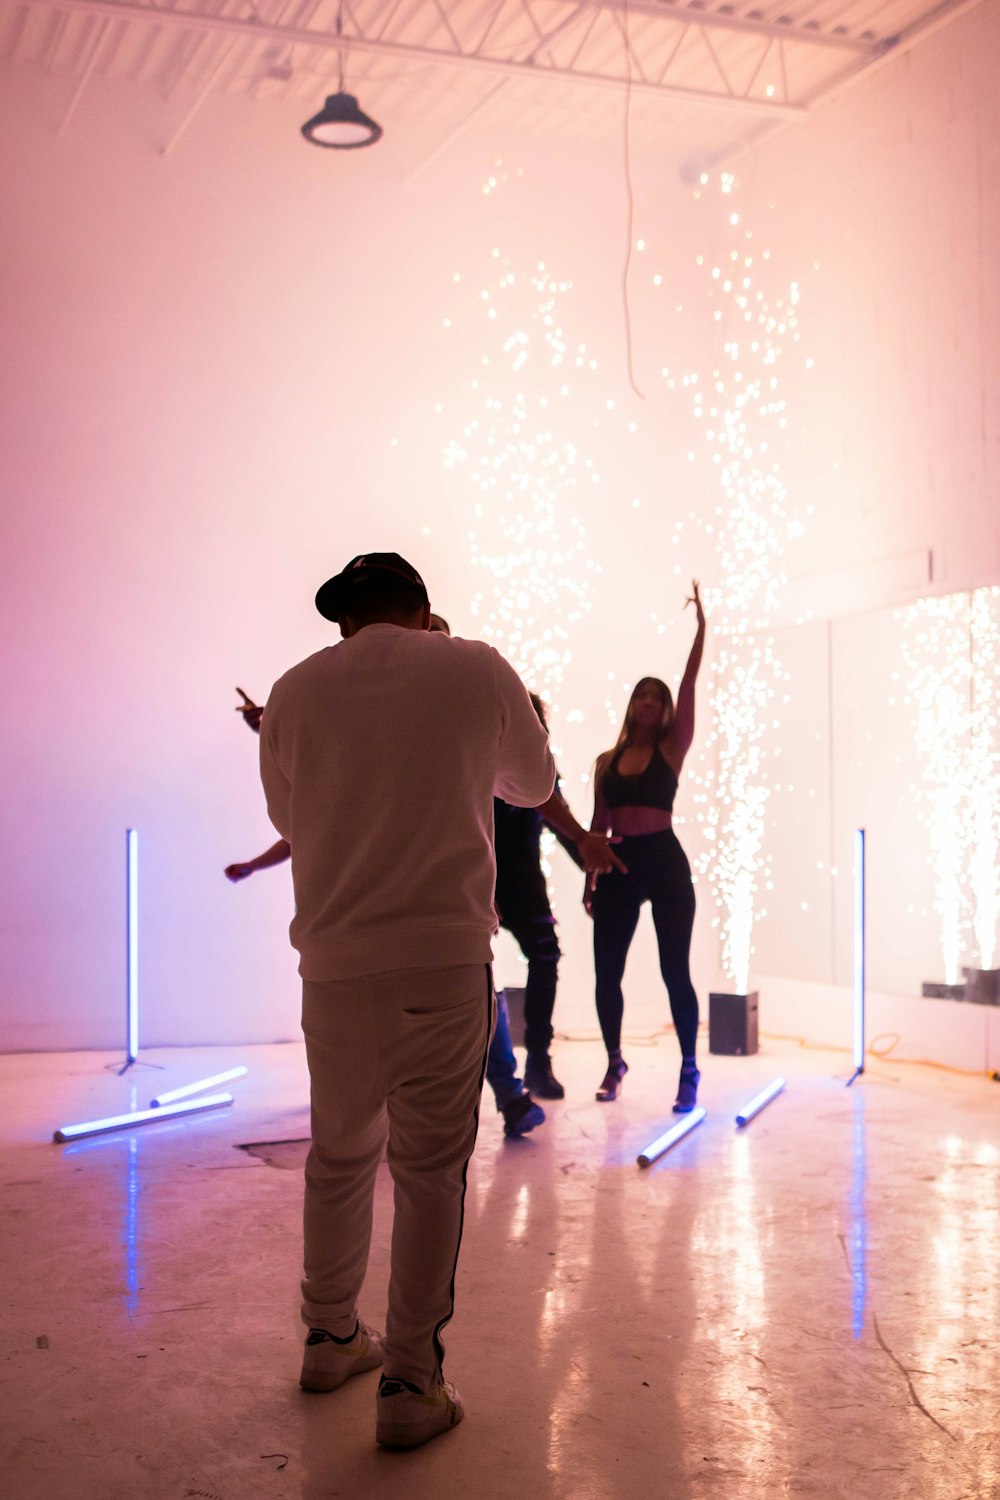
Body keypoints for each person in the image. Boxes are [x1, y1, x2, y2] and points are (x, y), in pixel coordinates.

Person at [258, 551, 556, 1449]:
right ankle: (412, 1384)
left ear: (346, 620)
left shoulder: (293, 692)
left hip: (335, 966)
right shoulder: (473, 664)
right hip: (440, 958)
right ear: (424, 610)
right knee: (429, 1173)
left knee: (339, 1156)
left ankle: (328, 1335)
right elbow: (535, 786)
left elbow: (287, 817)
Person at [429, 618, 624, 1100]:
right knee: (474, 971)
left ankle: (535, 1061)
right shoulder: (475, 755)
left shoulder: (541, 772)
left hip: (519, 880)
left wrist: (589, 863)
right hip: (479, 877)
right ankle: (497, 1077)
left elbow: (556, 821)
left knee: (540, 957)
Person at [586, 581, 707, 1113]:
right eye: (643, 695)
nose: (651, 703)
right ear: (632, 704)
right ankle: (614, 1061)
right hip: (618, 862)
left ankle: (688, 1068)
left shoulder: (673, 748)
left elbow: (690, 681)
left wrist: (702, 629)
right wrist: (591, 880)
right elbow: (596, 826)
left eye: (658, 698)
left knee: (674, 969)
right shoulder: (604, 761)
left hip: (663, 860)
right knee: (606, 972)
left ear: (665, 710)